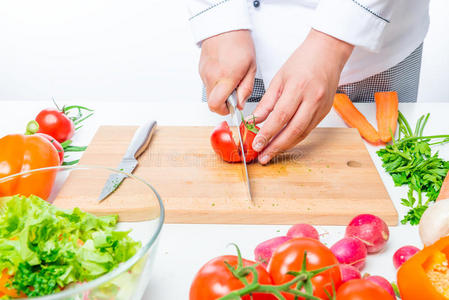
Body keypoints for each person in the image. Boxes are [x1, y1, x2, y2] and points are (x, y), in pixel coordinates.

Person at [187, 0, 429, 164]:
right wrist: (219, 20)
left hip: (369, 51)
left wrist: (335, 39)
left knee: (383, 163)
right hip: (235, 50)